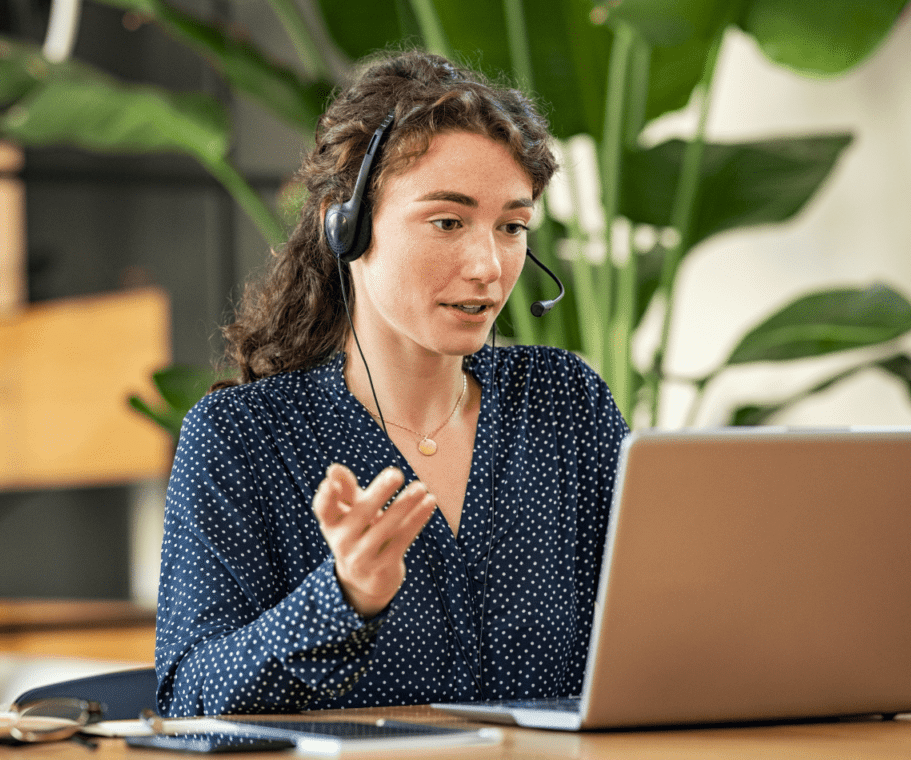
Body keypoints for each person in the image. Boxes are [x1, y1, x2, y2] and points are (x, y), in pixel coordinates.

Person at [155, 50, 628, 717]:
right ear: (345, 226)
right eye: (447, 221)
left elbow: (653, 634)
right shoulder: (243, 438)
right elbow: (190, 696)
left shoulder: (565, 404)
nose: (489, 266)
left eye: (513, 227)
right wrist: (344, 597)